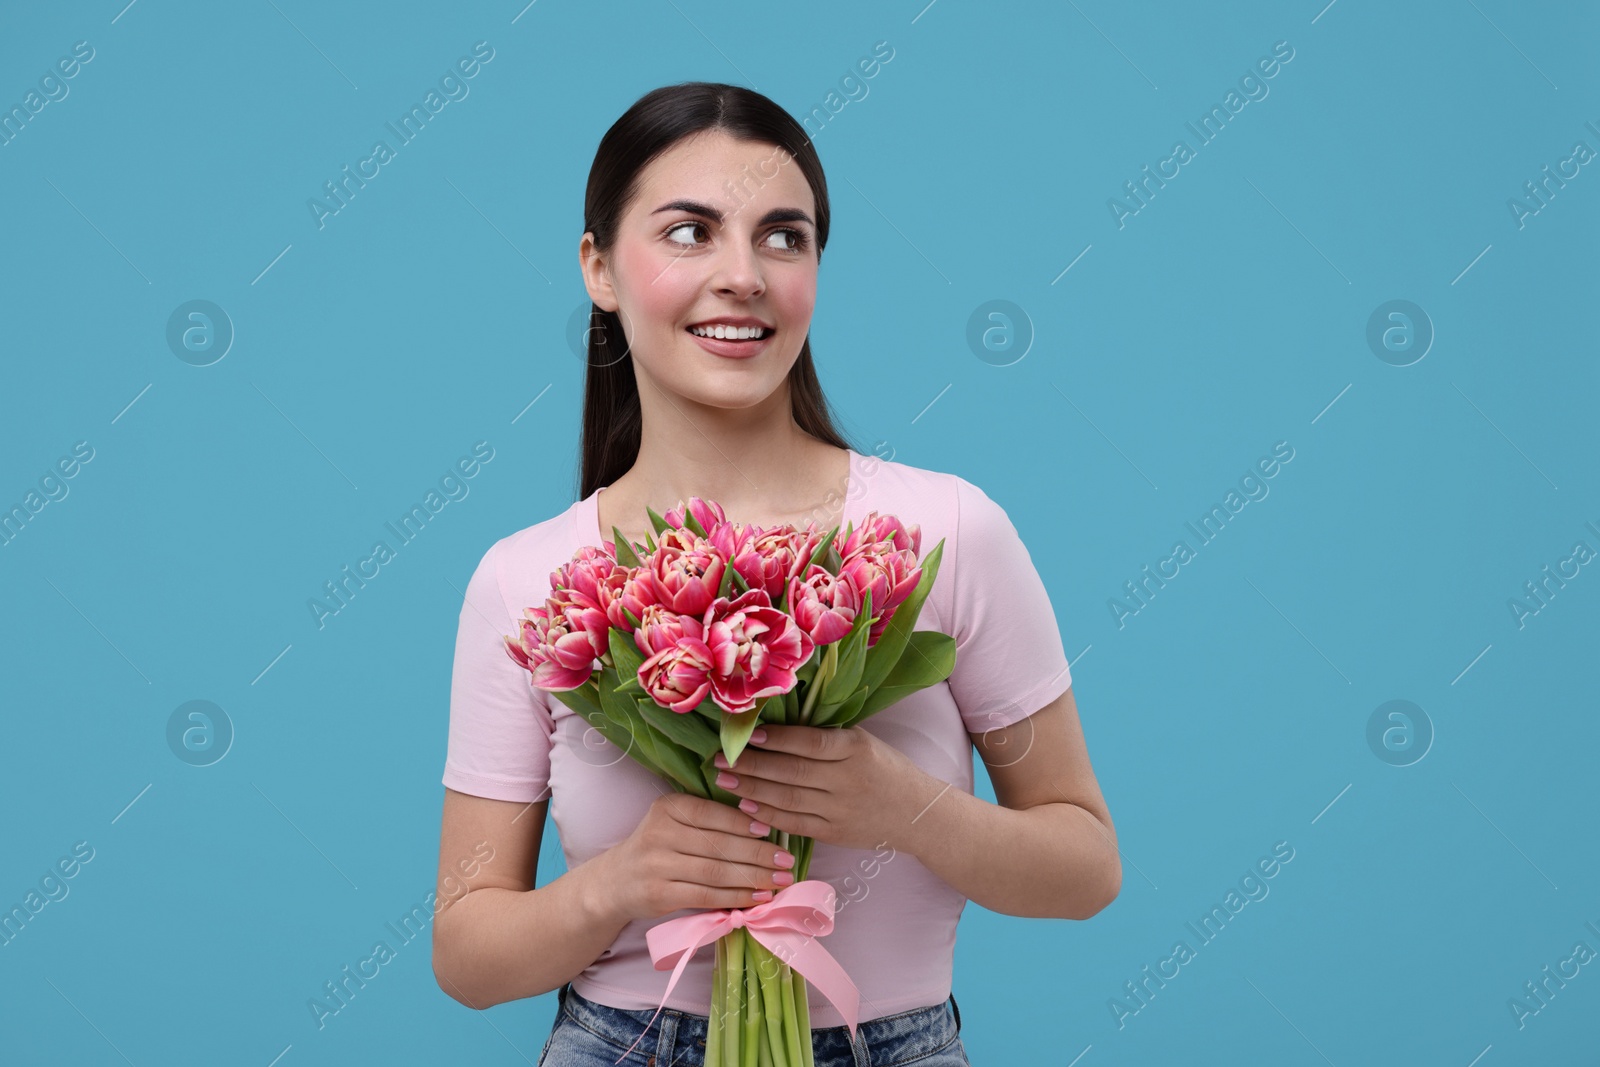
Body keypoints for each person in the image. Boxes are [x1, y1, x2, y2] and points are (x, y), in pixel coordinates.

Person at [432, 81, 1120, 1066]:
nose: (742, 275)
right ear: (599, 267)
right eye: (687, 232)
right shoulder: (530, 580)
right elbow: (465, 951)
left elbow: (1084, 865)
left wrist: (903, 805)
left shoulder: (943, 533)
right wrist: (620, 881)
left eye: (783, 237)